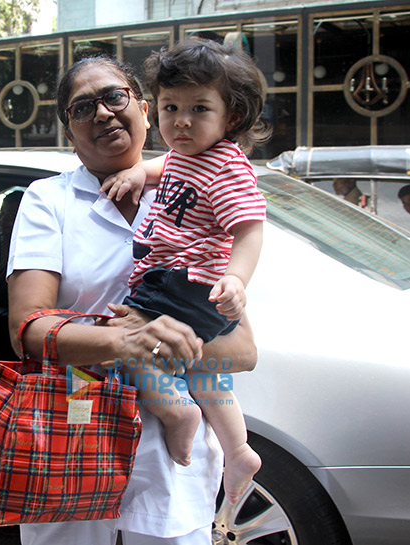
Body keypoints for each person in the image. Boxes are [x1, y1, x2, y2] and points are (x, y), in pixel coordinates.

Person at [7, 55, 257, 545]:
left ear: (144, 111)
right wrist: (128, 341)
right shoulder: (47, 201)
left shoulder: (203, 190)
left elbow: (244, 350)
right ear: (68, 129)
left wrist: (154, 348)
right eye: (82, 108)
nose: (101, 113)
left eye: (114, 97)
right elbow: (29, 331)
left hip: (171, 459)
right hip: (76, 432)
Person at [100, 39, 265, 504]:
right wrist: (139, 174)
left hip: (183, 282)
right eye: (171, 107)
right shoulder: (185, 155)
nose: (182, 121)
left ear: (231, 117)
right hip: (194, 288)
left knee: (126, 341)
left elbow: (250, 228)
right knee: (207, 374)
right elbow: (165, 166)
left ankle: (177, 413)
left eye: (199, 108)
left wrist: (236, 278)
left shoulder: (226, 164)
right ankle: (239, 450)